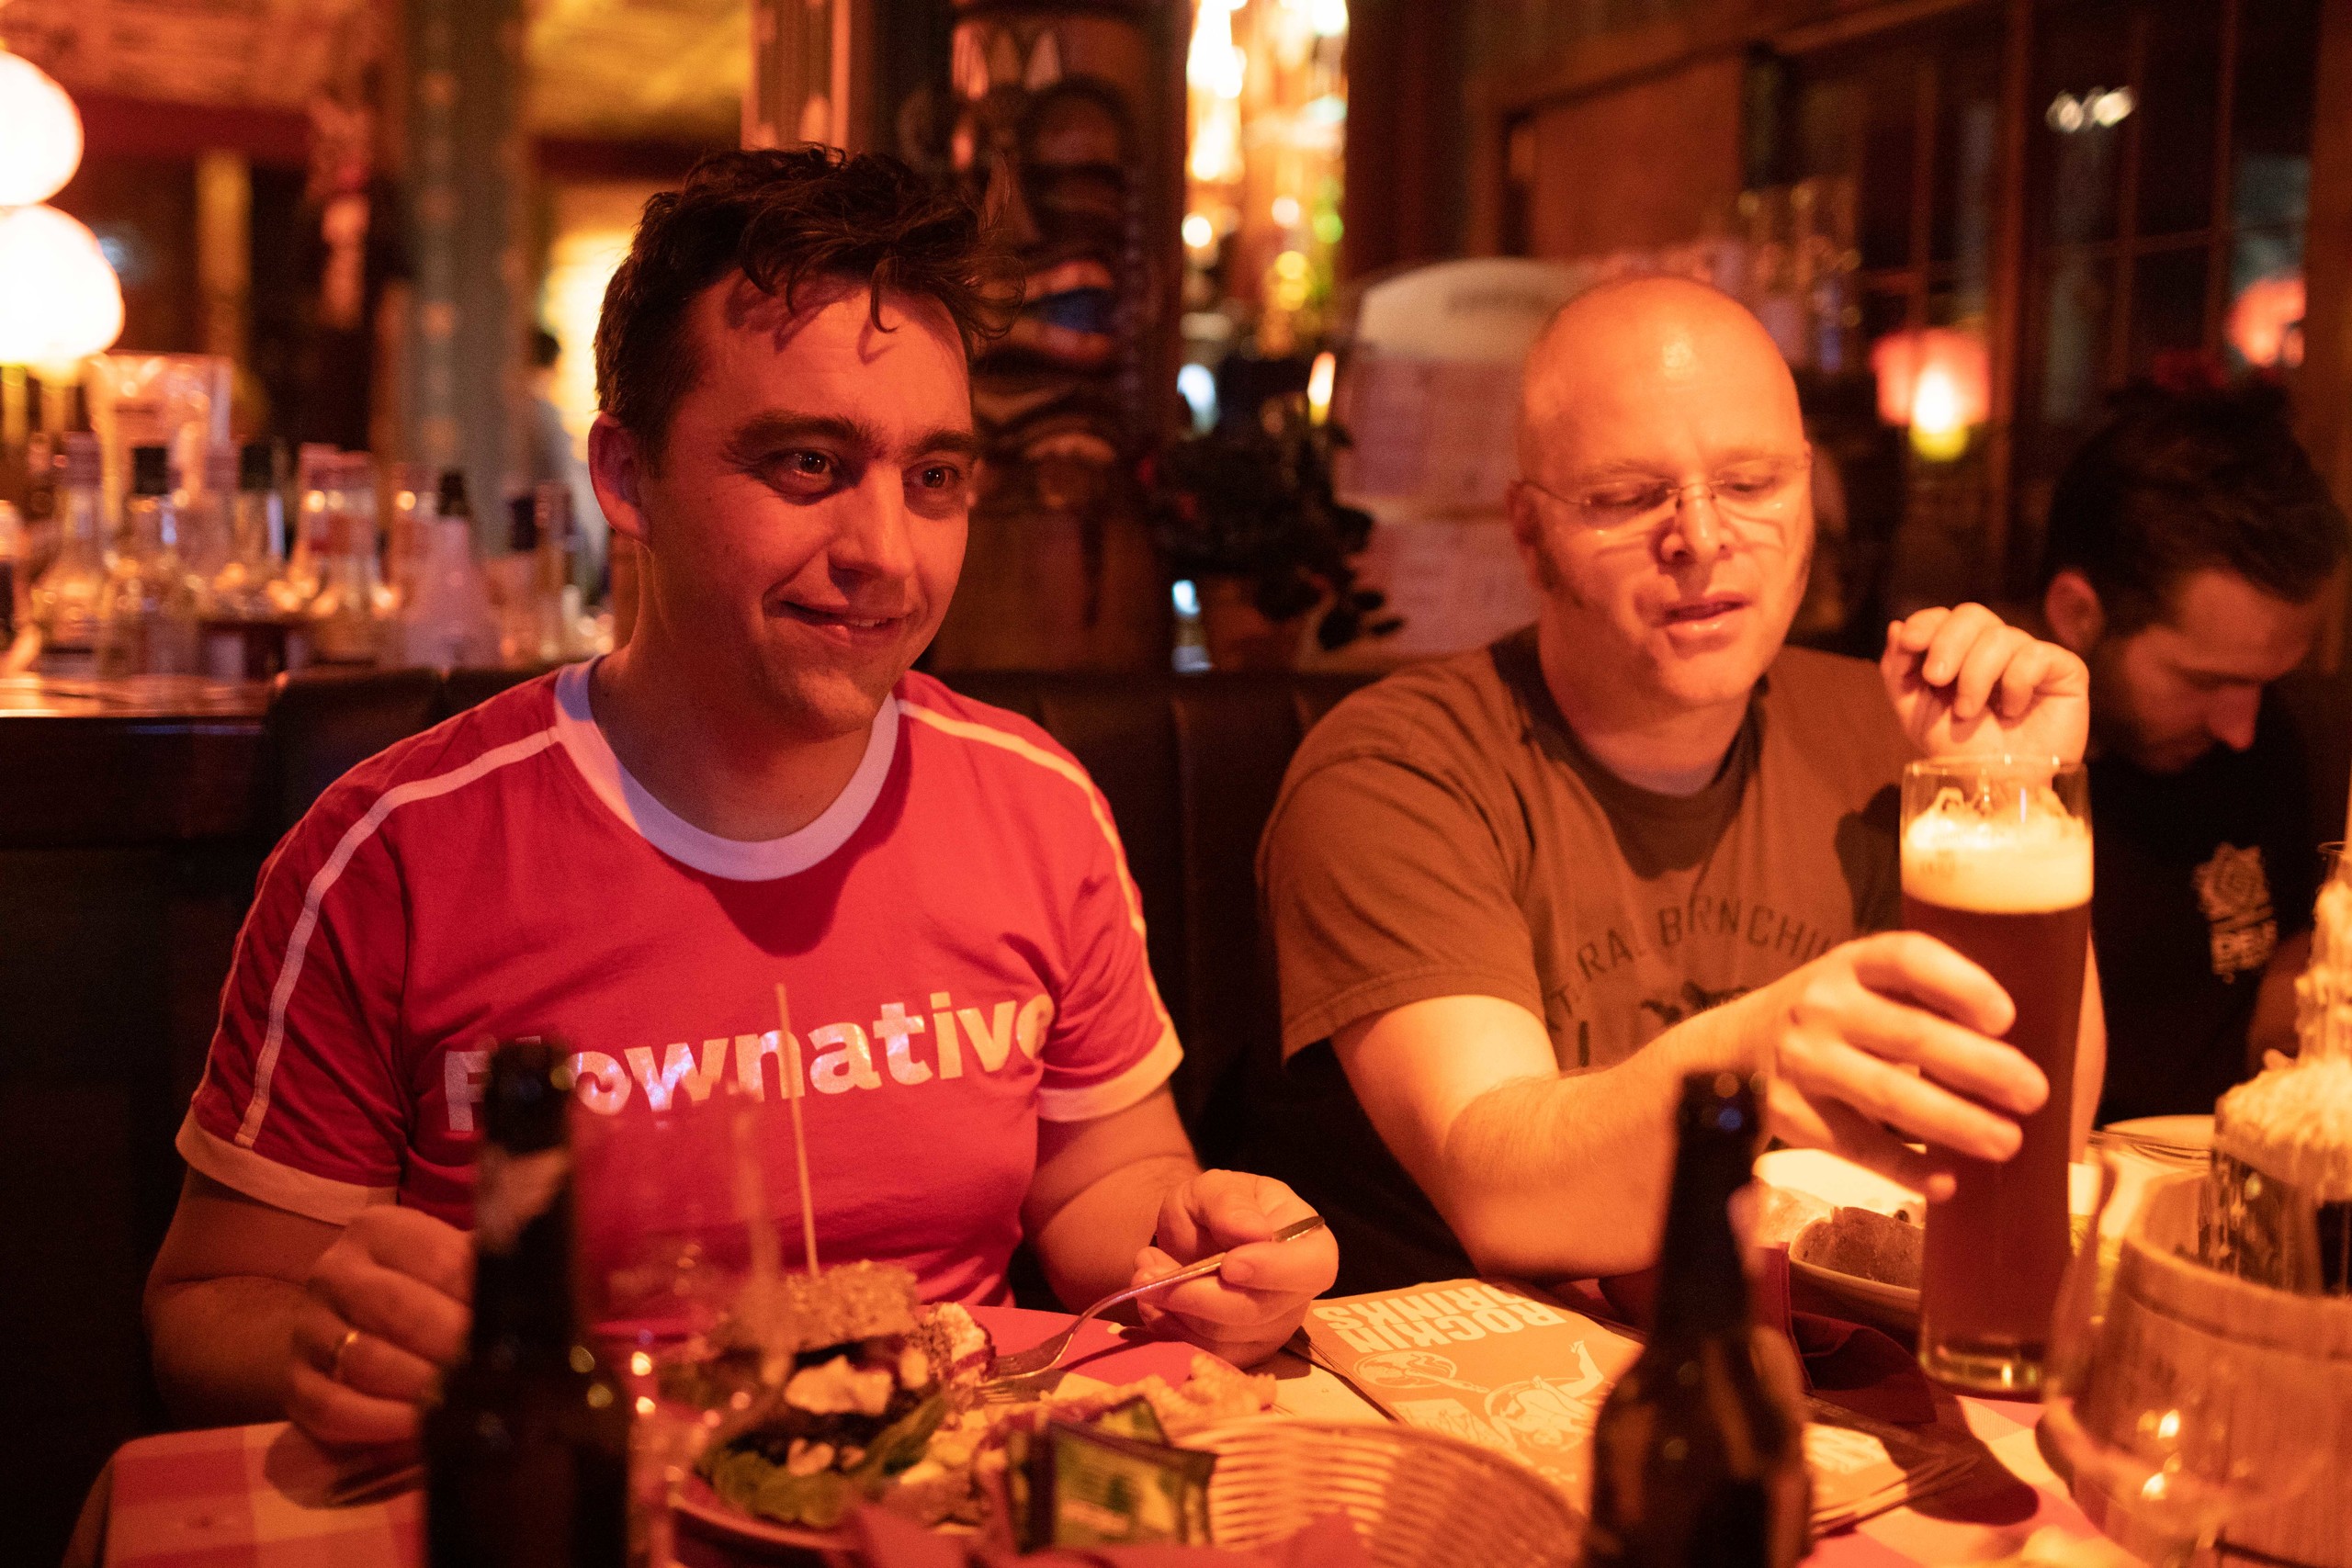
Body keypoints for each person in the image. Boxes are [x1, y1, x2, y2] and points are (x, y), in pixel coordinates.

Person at [145, 148, 1339, 1449]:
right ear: (627, 477)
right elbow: (206, 1309)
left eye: (933, 478)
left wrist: (1197, 1246)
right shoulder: (393, 850)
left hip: (936, 1488)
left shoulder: (1036, 800)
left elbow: (1108, 1176)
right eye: (810, 464)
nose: (885, 553)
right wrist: (335, 1340)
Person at [1250, 276, 2101, 1294]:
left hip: (1805, 1351)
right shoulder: (1397, 769)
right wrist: (1752, 1058)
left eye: (1749, 485)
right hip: (1469, 1383)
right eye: (1623, 497)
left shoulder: (1898, 730)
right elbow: (1502, 1195)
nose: (1700, 538)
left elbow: (2035, 1124)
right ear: (1527, 533)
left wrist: (2010, 790)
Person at [2038, 388, 2349, 1123]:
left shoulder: (2266, 739)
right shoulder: (1990, 790)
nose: (2243, 727)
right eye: (2207, 680)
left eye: (2265, 683)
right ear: (2079, 615)